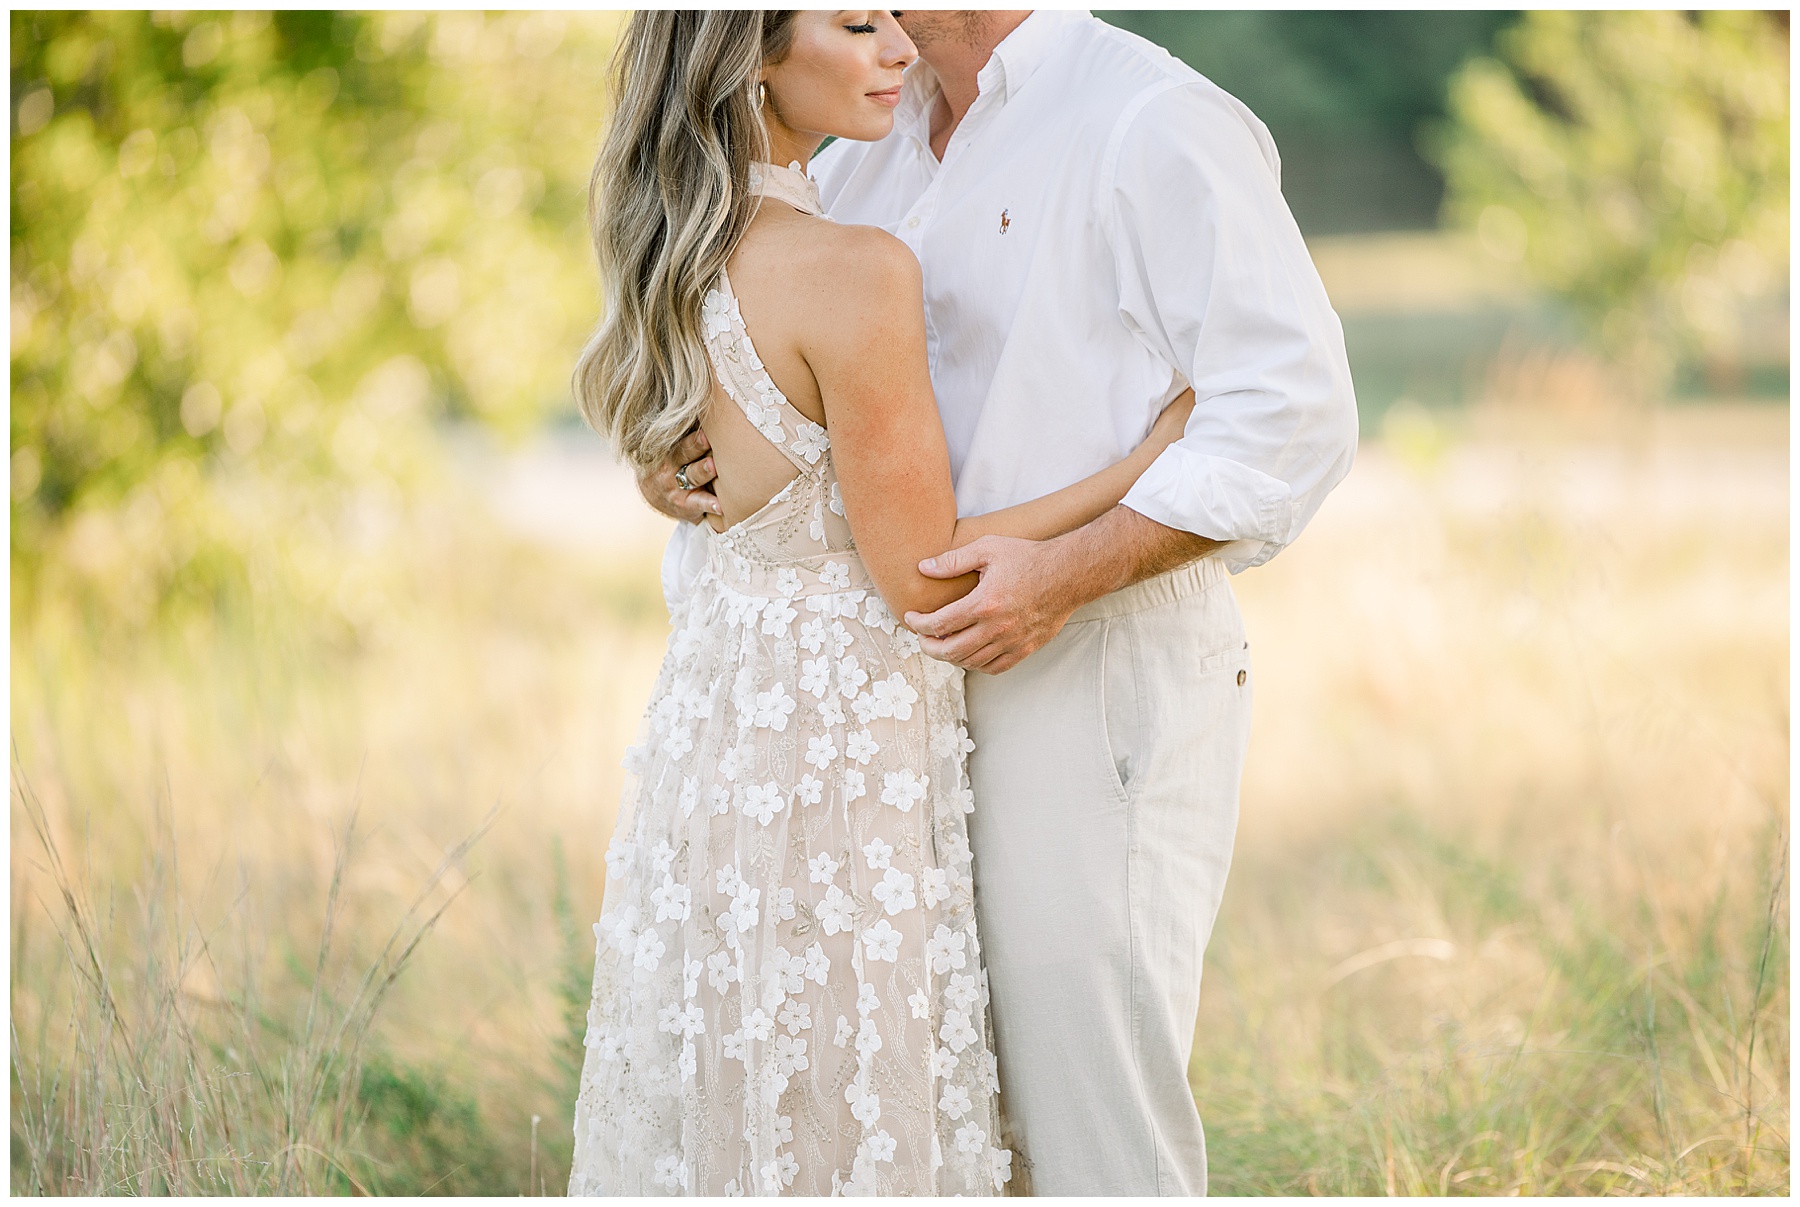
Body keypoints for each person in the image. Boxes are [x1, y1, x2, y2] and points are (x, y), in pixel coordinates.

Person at [642, 10, 1359, 1195]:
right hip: (885, 719)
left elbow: (1290, 415)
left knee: (1089, 1123)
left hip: (1086, 663)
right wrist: (685, 461)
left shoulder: (1149, 120)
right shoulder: (864, 141)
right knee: (945, 1126)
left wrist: (1070, 569)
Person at [568, 11, 1194, 1196]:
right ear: (749, 55)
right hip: (839, 749)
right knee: (854, 1091)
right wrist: (1146, 462)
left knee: (742, 1082)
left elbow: (724, 468)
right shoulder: (853, 269)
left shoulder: (675, 251)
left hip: (717, 737)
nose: (899, 49)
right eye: (857, 24)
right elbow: (923, 572)